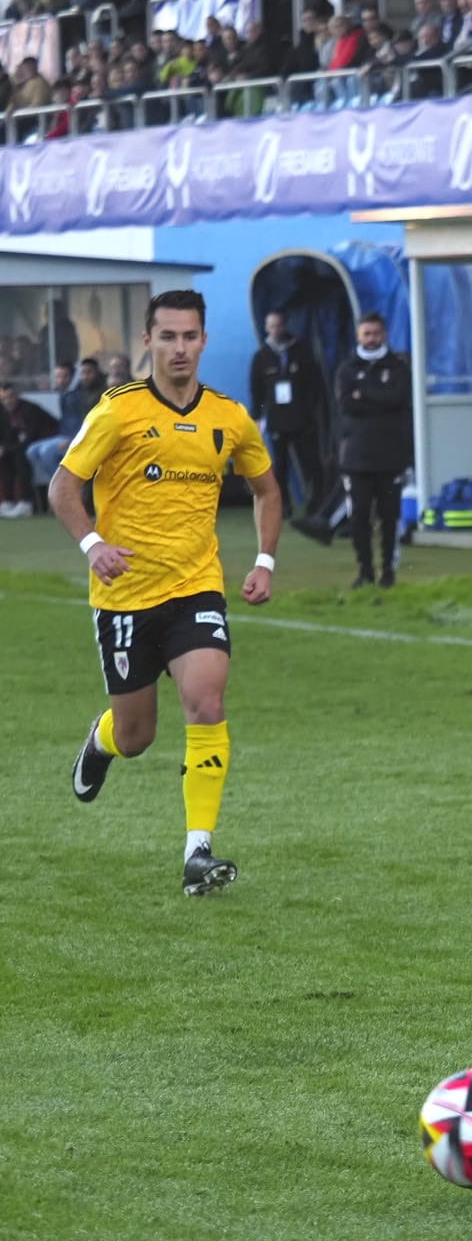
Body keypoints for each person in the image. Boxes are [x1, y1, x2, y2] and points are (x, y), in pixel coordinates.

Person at [53, 290, 283, 896]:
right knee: (138, 736)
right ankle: (102, 741)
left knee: (207, 702)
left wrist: (264, 559)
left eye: (190, 337)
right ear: (148, 342)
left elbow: (267, 489)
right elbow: (62, 488)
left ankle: (198, 853)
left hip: (195, 586)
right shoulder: (116, 411)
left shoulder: (229, 417)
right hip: (125, 595)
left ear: (204, 341)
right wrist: (93, 546)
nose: (179, 348)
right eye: (168, 337)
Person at [334, 312, 411, 590]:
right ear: (358, 336)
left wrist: (364, 394)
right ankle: (364, 570)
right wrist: (377, 396)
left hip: (391, 456)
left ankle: (388, 570)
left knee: (390, 517)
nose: (371, 338)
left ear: (384, 334)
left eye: (376, 333)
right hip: (356, 457)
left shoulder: (398, 366)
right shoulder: (347, 368)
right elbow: (346, 405)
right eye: (366, 333)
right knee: (359, 518)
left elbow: (397, 398)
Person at [248, 313, 327, 516]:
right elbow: (256, 390)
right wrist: (257, 417)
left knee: (310, 463)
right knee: (280, 466)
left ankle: (316, 504)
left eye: (278, 325)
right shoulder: (261, 356)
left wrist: (310, 410)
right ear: (266, 328)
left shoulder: (301, 351)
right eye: (271, 326)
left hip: (302, 419)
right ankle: (284, 506)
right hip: (276, 419)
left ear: (284, 326)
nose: (275, 329)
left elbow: (314, 385)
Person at [26, 356, 106, 492]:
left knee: (47, 453)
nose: (60, 380)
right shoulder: (65, 394)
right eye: (57, 376)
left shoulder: (80, 395)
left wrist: (72, 439)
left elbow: (85, 421)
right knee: (31, 451)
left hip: (74, 438)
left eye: (64, 376)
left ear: (73, 376)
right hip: (63, 435)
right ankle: (62, 485)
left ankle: (64, 489)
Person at [0, 377, 58, 516]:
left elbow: (31, 435)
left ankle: (26, 502)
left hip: (42, 440)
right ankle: (8, 501)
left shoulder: (29, 409)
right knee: (4, 458)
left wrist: (7, 448)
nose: (8, 401)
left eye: (11, 397)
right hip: (17, 445)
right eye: (4, 398)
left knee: (21, 456)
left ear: (17, 395)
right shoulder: (2, 412)